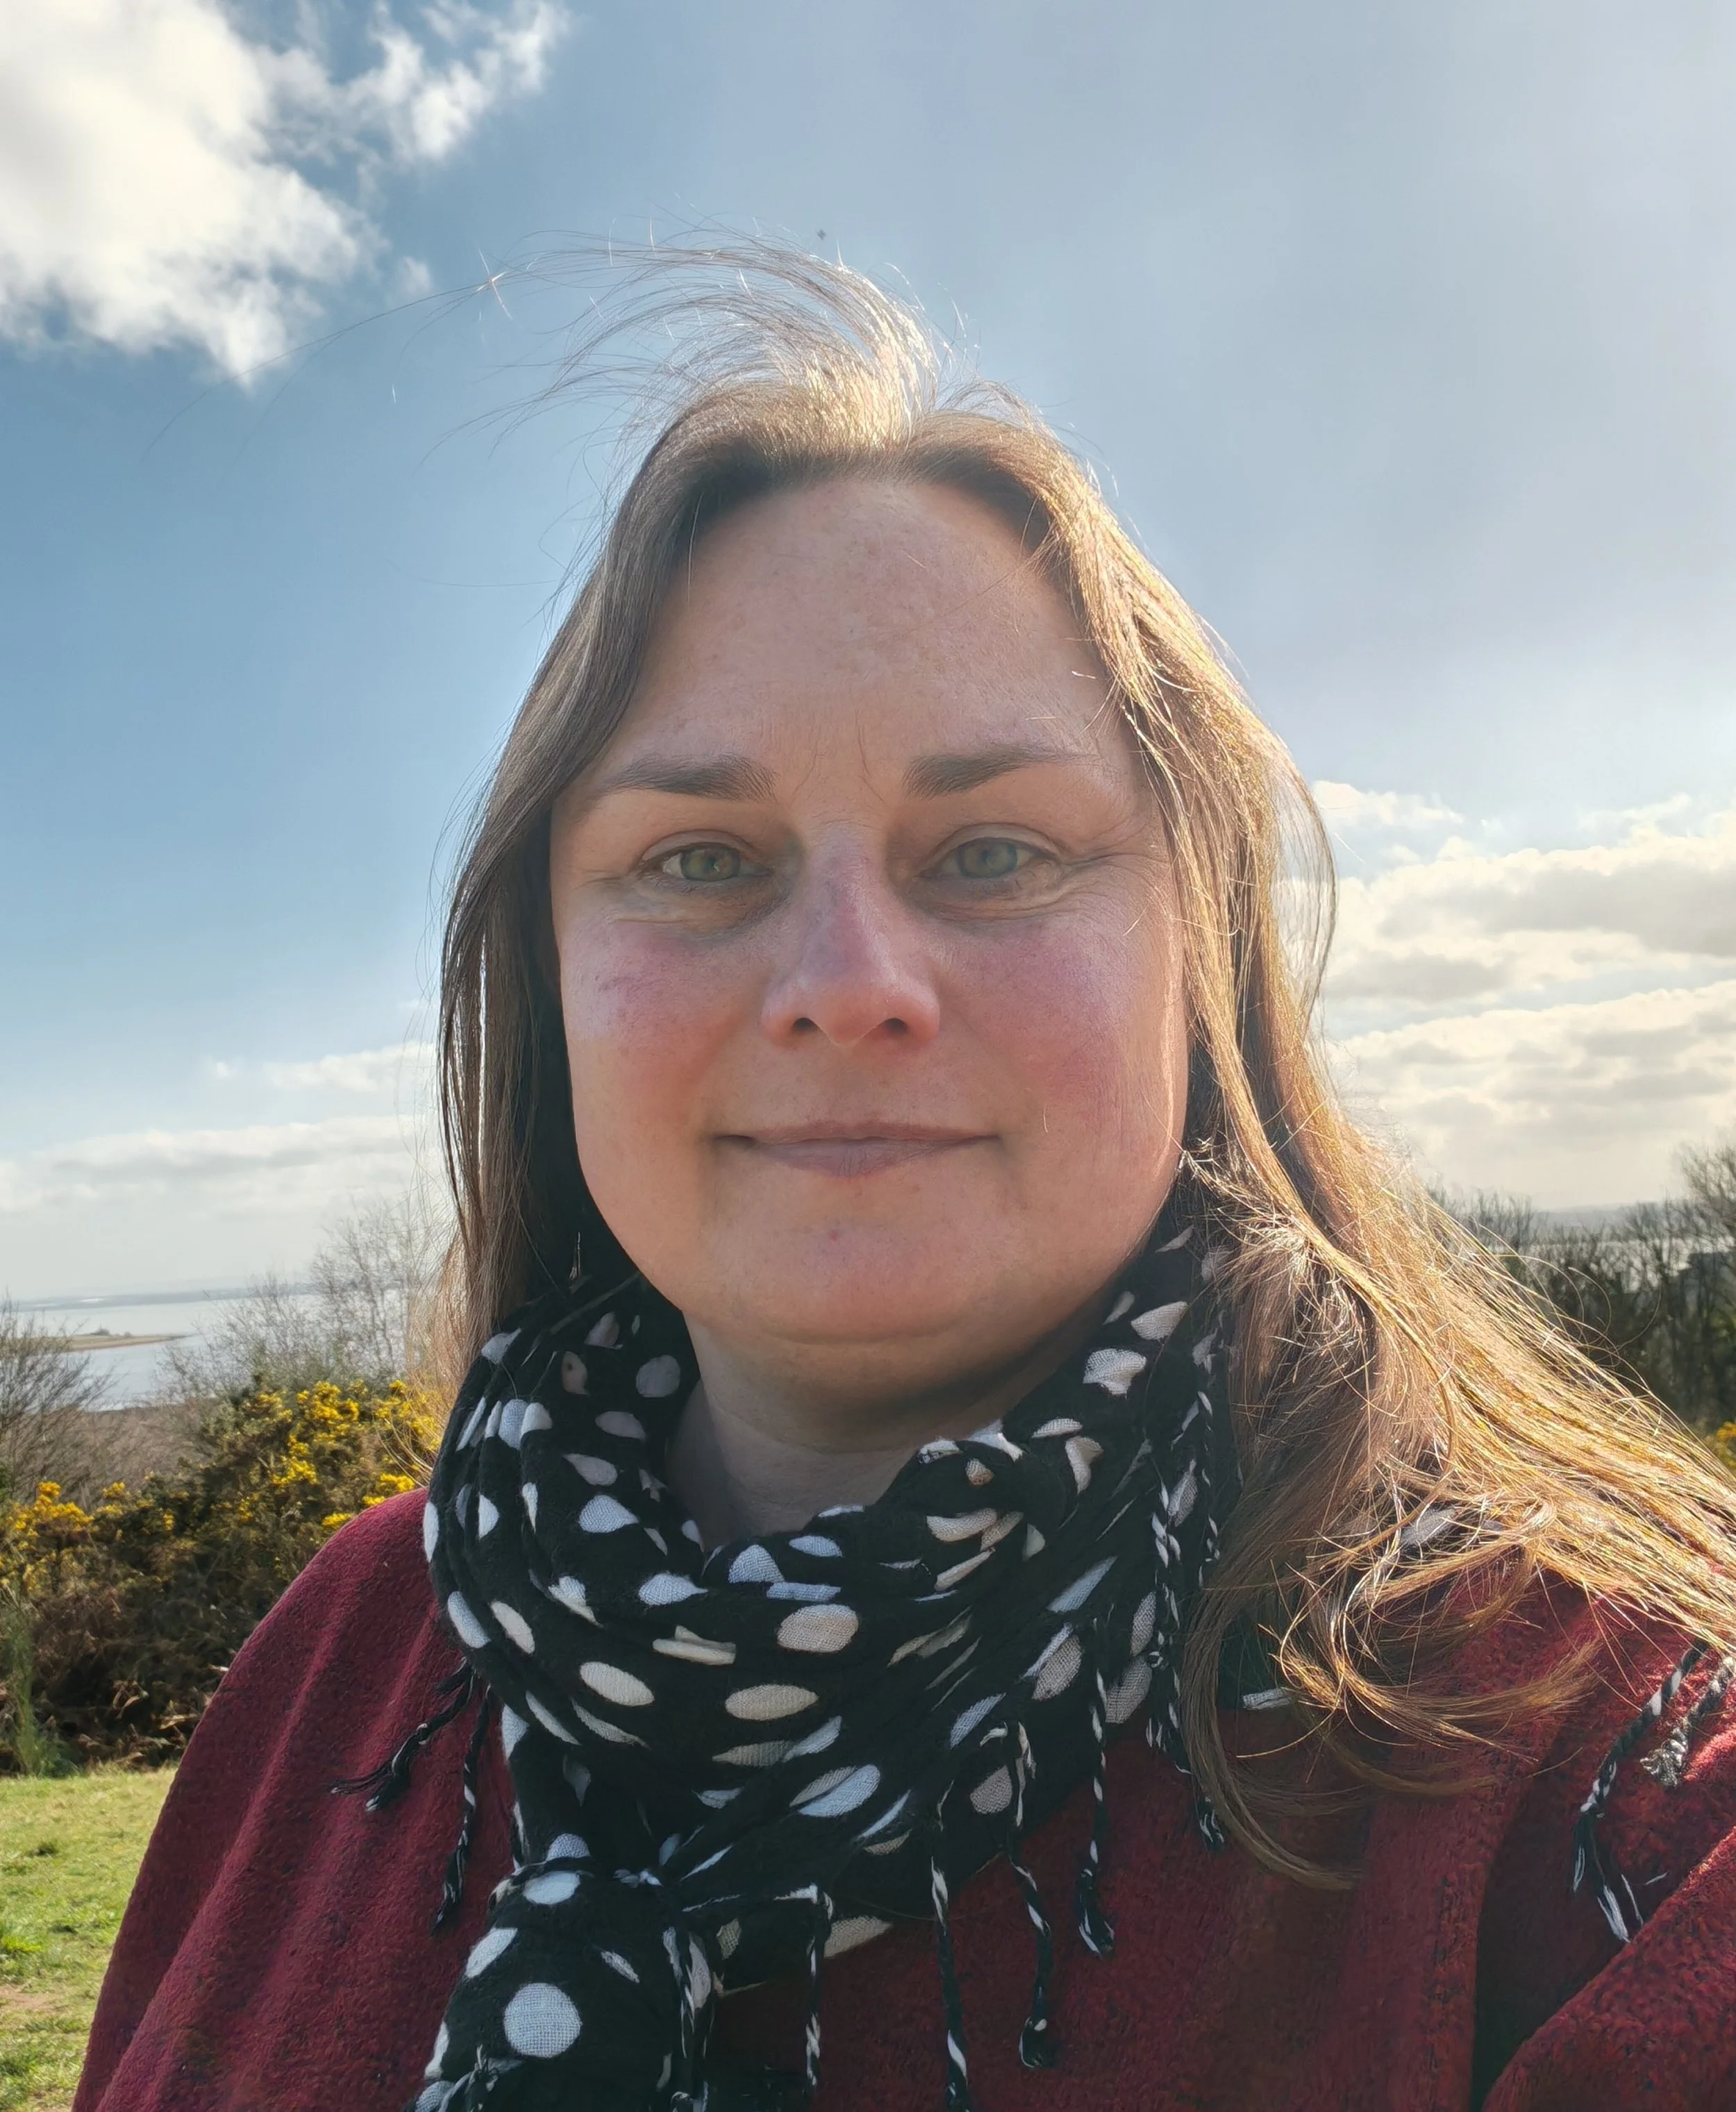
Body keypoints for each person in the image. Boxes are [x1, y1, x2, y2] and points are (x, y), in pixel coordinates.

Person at [76, 251, 1736, 2112]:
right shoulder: (348, 1651)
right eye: (699, 859)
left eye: (998, 850)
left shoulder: (1600, 1764)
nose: (847, 984)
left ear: (1196, 961)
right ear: (543, 986)